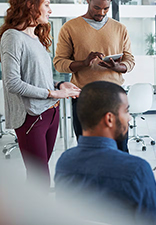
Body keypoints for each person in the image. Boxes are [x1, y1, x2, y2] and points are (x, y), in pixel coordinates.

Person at [55, 81, 156, 225]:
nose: (130, 118)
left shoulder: (64, 161)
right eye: (126, 111)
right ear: (109, 119)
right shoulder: (136, 168)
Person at [0, 0, 80, 187]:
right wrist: (52, 93)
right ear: (30, 5)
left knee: (41, 174)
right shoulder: (12, 37)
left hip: (51, 113)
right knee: (40, 178)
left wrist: (60, 85)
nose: (50, 10)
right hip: (32, 117)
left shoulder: (36, 38)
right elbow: (13, 83)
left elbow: (38, 79)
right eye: (46, 5)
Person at [53, 0, 135, 152]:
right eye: (97, 7)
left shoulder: (120, 28)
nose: (101, 13)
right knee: (88, 149)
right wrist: (84, 63)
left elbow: (130, 61)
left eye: (106, 8)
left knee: (121, 148)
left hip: (115, 96)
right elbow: (59, 63)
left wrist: (117, 67)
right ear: (88, 1)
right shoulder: (70, 28)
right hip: (84, 97)